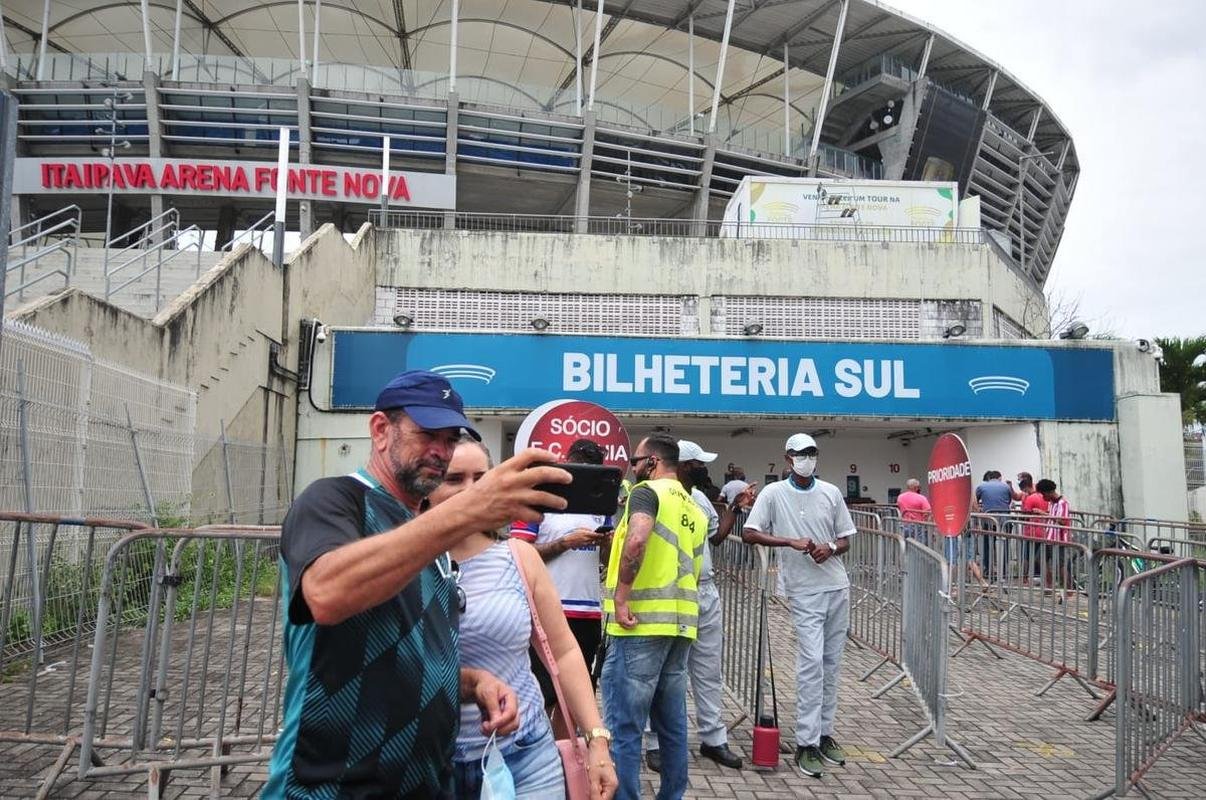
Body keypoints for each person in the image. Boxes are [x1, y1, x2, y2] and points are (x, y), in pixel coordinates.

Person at [264, 370, 572, 799]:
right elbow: (326, 594)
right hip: (332, 785)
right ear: (380, 430)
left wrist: (472, 683)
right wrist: (467, 512)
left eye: (450, 438)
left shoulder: (430, 537)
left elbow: (405, 655)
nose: (441, 451)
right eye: (427, 434)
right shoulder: (335, 499)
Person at [430, 437, 618, 800]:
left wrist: (596, 740)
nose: (471, 491)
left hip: (527, 755)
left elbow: (564, 652)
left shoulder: (517, 557)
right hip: (432, 761)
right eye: (454, 479)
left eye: (480, 478)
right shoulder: (407, 564)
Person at [741, 433, 855, 780]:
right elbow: (749, 532)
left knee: (831, 664)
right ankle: (806, 741)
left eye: (812, 452)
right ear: (788, 458)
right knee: (811, 664)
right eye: (801, 453)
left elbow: (845, 538)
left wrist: (830, 549)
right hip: (803, 590)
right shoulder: (775, 494)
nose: (807, 458)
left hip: (836, 584)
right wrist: (788, 541)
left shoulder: (831, 492)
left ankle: (824, 732)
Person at [601, 433, 706, 800]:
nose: (632, 468)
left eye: (635, 461)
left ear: (653, 463)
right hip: (681, 625)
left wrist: (622, 595)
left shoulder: (647, 494)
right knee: (672, 725)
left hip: (640, 624)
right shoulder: (693, 508)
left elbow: (638, 539)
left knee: (625, 726)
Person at [645, 440, 743, 773]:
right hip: (669, 593)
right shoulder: (653, 494)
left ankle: (714, 739)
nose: (703, 468)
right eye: (698, 463)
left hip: (704, 590)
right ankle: (655, 742)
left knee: (708, 668)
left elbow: (715, 537)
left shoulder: (699, 498)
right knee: (664, 672)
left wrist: (736, 508)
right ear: (683, 465)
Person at [510, 438, 611, 711]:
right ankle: (540, 748)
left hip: (588, 611)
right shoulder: (540, 499)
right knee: (542, 692)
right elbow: (519, 553)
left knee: (576, 695)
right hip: (547, 610)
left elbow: (606, 561)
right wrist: (565, 543)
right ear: (568, 463)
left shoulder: (601, 505)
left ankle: (568, 751)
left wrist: (607, 544)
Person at [974, 471, 1013, 578]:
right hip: (1005, 520)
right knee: (1005, 545)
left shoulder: (981, 486)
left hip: (988, 520)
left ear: (989, 478)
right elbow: (1008, 501)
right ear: (999, 477)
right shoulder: (1006, 487)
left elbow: (975, 501)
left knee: (987, 545)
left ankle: (988, 568)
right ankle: (1004, 570)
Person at [1038, 478, 1072, 598]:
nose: (1043, 497)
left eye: (1043, 494)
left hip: (1059, 538)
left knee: (1061, 565)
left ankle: (1068, 589)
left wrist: (1045, 515)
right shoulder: (1052, 503)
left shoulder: (1063, 503)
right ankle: (1049, 586)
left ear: (1048, 492)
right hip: (1049, 537)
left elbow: (1063, 521)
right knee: (1041, 560)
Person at [1019, 476, 1048, 578]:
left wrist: (1020, 518)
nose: (1024, 493)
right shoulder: (1044, 496)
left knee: (1027, 555)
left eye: (1024, 491)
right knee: (1041, 556)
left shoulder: (1030, 498)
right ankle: (1041, 577)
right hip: (1043, 530)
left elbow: (1026, 515)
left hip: (1031, 531)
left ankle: (1025, 577)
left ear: (1026, 488)